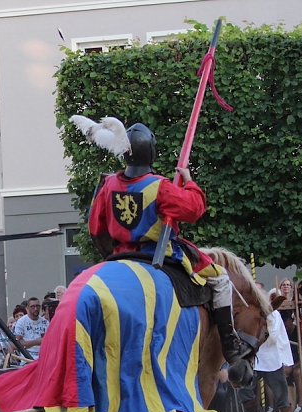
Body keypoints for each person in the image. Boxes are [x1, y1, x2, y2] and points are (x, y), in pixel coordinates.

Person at [81, 120, 252, 384]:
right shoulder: (158, 186)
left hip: (119, 256)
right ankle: (231, 347)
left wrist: (112, 253)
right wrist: (189, 182)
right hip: (157, 254)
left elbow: (96, 228)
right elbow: (194, 209)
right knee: (220, 278)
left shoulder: (108, 184)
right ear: (151, 153)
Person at [236, 303, 295, 412]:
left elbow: (272, 337)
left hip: (271, 358)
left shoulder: (274, 315)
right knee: (244, 388)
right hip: (253, 358)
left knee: (280, 393)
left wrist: (254, 341)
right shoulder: (250, 312)